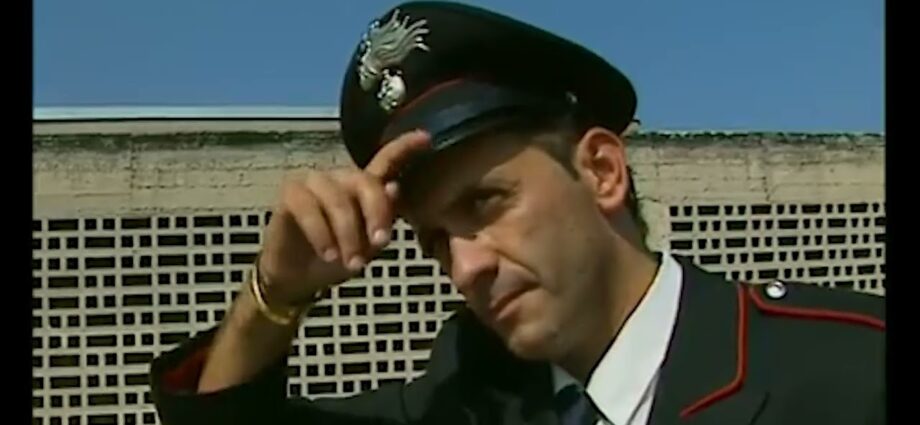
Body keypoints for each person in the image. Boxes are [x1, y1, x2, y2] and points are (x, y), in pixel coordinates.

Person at [149, 2, 886, 424]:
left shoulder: (850, 371)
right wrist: (276, 294)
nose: (466, 267)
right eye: (436, 241)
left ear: (601, 170)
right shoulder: (464, 398)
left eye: (485, 202)